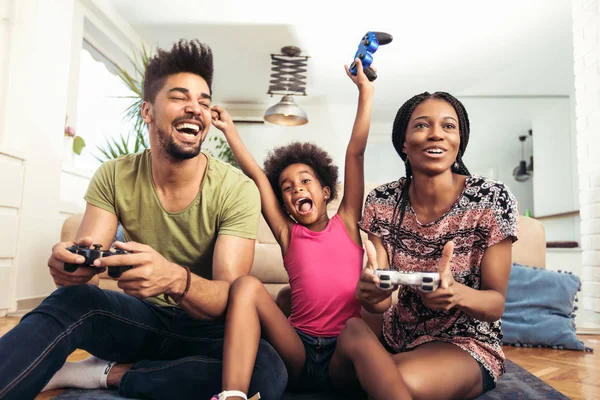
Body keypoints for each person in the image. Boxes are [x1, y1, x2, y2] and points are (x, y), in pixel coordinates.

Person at [0, 39, 287, 400]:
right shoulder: (114, 175)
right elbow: (87, 258)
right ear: (147, 111)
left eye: (203, 100)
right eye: (180, 97)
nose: (195, 108)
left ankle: (101, 375)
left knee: (266, 373)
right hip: (141, 321)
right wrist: (70, 267)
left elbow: (227, 299)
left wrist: (175, 279)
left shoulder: (236, 188)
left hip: (207, 331)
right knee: (73, 303)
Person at [208, 58, 376, 400]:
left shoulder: (346, 222)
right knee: (246, 286)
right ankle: (234, 395)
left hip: (340, 355)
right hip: (297, 350)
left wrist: (365, 92)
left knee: (357, 336)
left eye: (305, 181)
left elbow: (355, 153)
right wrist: (229, 131)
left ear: (326, 191)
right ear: (284, 204)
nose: (297, 189)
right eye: (287, 187)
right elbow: (257, 175)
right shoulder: (288, 234)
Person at [333, 91, 519, 400]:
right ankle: (373, 364)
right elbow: (379, 303)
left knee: (388, 376)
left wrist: (455, 294)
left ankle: (374, 369)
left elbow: (495, 304)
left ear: (460, 141)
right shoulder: (382, 202)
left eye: (449, 126)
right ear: (403, 143)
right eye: (422, 125)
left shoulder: (492, 200)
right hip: (396, 335)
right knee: (355, 335)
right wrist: (369, 295)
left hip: (464, 341)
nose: (436, 134)